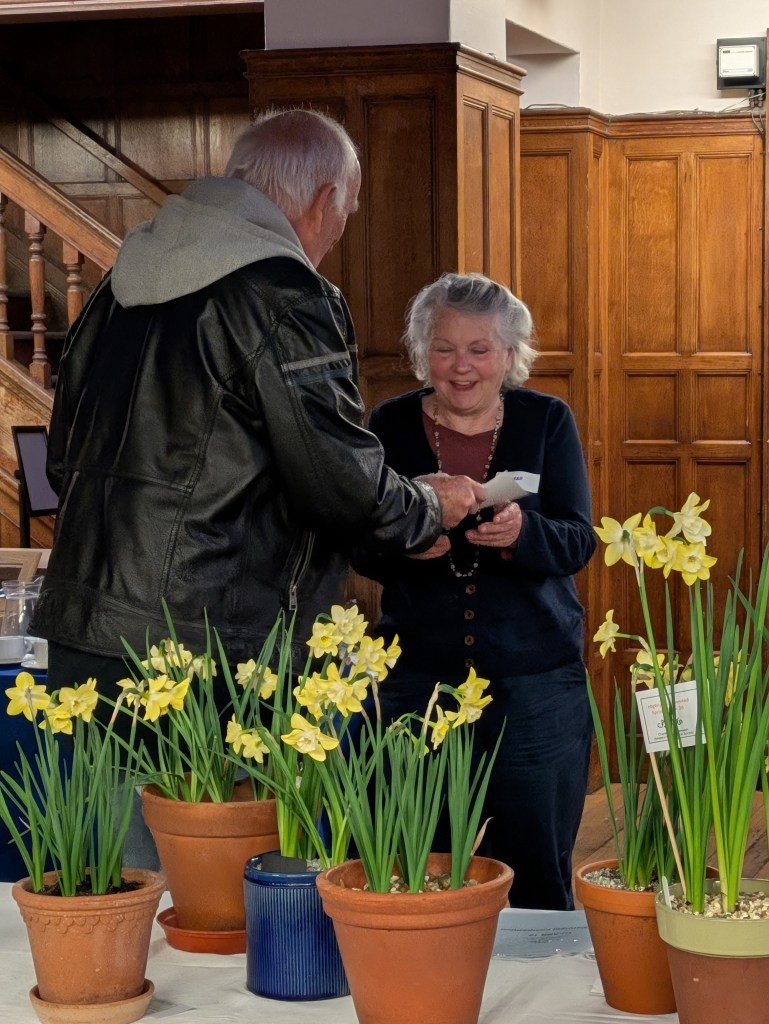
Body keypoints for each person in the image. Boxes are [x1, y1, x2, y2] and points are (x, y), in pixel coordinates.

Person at [30, 109, 484, 726]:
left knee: (105, 824)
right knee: (223, 823)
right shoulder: (283, 294)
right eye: (347, 213)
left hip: (82, 629)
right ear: (326, 200)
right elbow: (337, 482)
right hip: (212, 649)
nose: (337, 232)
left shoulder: (117, 286)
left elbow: (60, 458)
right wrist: (431, 507)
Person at [352, 272, 597, 910]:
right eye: (443, 348)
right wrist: (406, 544)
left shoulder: (547, 419)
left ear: (510, 355)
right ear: (421, 352)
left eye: (479, 349)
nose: (461, 367)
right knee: (417, 860)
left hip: (535, 685)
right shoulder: (391, 423)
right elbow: (360, 544)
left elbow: (578, 540)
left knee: (536, 865)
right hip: (417, 680)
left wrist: (522, 532)